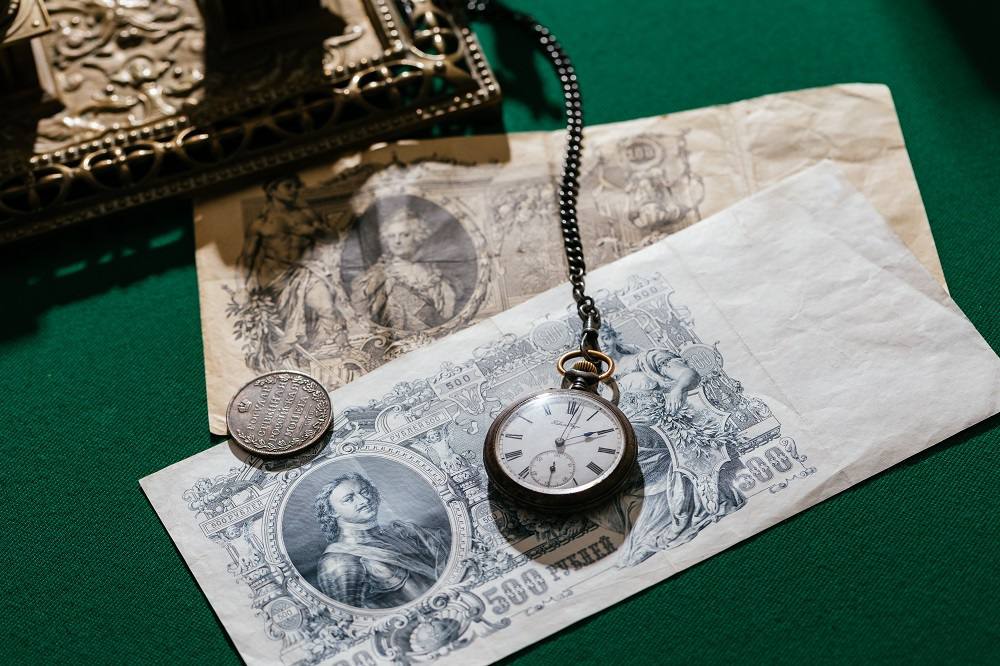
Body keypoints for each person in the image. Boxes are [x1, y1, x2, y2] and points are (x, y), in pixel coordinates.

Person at [237, 176, 350, 368]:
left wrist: (315, 231)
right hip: (275, 281)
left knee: (327, 308)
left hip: (306, 272)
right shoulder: (261, 224)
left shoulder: (305, 215)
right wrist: (243, 287)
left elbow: (333, 238)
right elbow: (247, 258)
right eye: (288, 186)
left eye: (296, 186)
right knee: (284, 329)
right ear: (272, 190)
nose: (294, 190)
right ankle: (293, 363)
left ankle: (343, 352)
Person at [313, 473, 450, 609]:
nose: (364, 500)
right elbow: (353, 618)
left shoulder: (403, 532)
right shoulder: (338, 562)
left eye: (364, 492)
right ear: (332, 512)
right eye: (349, 499)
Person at [350, 208, 457, 331]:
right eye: (392, 236)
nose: (397, 241)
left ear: (418, 237)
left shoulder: (437, 274)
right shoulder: (376, 276)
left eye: (405, 235)